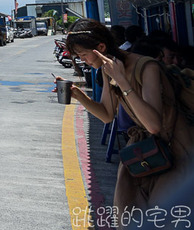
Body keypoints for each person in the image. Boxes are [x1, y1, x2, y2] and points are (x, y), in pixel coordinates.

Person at [64, 19, 194, 215]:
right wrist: (79, 95)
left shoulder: (147, 66)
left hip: (174, 150)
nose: (84, 61)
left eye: (83, 55)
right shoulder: (109, 70)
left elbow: (153, 125)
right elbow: (107, 115)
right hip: (147, 152)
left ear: (101, 47)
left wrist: (123, 82)